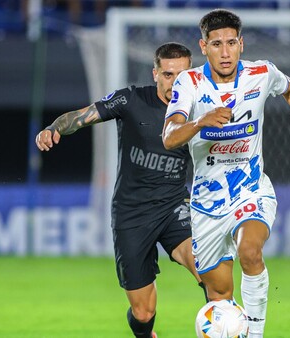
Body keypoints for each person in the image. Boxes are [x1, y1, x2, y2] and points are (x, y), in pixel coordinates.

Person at [162, 9, 290, 337]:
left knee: (250, 251)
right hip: (207, 203)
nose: (225, 52)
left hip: (251, 188)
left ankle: (256, 334)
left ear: (241, 44)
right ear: (204, 47)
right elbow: (169, 137)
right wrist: (200, 121)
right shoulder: (190, 83)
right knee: (219, 296)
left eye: (231, 43)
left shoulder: (261, 73)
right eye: (216, 44)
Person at [35, 42, 205, 338]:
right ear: (155, 74)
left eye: (183, 75)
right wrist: (53, 127)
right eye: (168, 74)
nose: (175, 83)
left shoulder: (200, 109)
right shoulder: (130, 100)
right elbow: (80, 116)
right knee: (143, 312)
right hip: (132, 213)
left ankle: (225, 329)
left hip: (174, 206)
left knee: (207, 271)